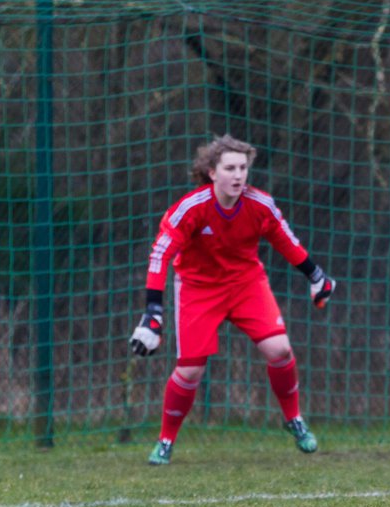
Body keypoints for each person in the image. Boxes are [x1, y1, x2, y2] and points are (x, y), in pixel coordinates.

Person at [129, 134, 336, 466]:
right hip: (198, 289)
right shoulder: (192, 208)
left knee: (279, 349)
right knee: (190, 370)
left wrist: (316, 276)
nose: (238, 175)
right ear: (212, 172)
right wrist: (152, 312)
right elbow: (160, 255)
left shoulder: (259, 204)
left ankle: (294, 419)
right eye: (230, 168)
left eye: (243, 167)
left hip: (246, 284)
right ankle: (166, 440)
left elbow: (285, 241)